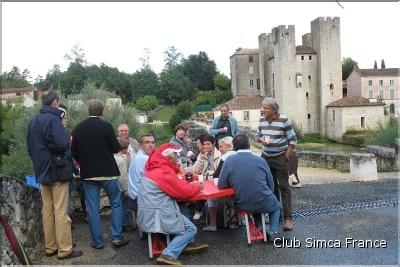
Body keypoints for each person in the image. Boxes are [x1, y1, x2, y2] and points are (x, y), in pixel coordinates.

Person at [27, 90, 83, 260]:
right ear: (56, 102)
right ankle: (64, 249)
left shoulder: (33, 121)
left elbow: (29, 147)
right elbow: (62, 143)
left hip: (42, 170)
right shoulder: (54, 119)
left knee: (47, 210)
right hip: (57, 170)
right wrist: (66, 138)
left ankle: (50, 247)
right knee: (60, 211)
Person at [137, 143, 209, 265]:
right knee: (191, 229)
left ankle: (186, 244)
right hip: (157, 214)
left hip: (150, 211)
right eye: (176, 155)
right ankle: (168, 254)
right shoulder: (164, 172)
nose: (178, 158)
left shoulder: (156, 168)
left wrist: (188, 185)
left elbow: (176, 188)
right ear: (169, 157)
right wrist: (196, 187)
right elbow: (183, 192)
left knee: (182, 209)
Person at [71, 100, 129, 249]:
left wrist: (84, 162)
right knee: (116, 203)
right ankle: (116, 237)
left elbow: (74, 152)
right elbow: (115, 147)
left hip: (88, 174)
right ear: (102, 112)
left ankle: (97, 242)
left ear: (88, 112)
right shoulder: (106, 126)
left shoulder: (78, 128)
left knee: (92, 208)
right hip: (108, 172)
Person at [218, 134, 283, 241]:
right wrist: (267, 195)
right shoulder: (261, 160)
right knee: (276, 207)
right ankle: (273, 231)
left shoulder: (229, 160)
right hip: (263, 200)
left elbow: (221, 184)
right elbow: (271, 184)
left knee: (254, 202)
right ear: (249, 145)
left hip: (242, 203)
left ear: (233, 146)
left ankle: (260, 228)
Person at [256, 97, 297, 231]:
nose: (263, 110)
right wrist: (261, 139)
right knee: (271, 187)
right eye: (262, 107)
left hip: (280, 157)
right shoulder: (262, 120)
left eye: (266, 108)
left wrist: (286, 156)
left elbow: (293, 140)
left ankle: (288, 218)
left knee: (284, 187)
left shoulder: (284, 120)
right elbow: (257, 136)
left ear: (274, 110)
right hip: (266, 157)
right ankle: (276, 214)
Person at [203, 136, 235, 232]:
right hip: (240, 189)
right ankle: (234, 220)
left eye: (221, 147)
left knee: (211, 197)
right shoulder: (237, 155)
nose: (220, 149)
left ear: (229, 146)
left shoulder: (224, 157)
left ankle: (213, 224)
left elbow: (217, 175)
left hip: (228, 189)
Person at [127, 134, 156, 228]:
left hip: (133, 198)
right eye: (147, 142)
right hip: (139, 201)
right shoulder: (144, 158)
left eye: (152, 142)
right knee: (175, 201)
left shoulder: (138, 155)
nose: (151, 145)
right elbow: (155, 181)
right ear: (140, 145)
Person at [192, 134, 222, 221]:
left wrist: (209, 174)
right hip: (205, 180)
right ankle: (198, 211)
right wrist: (201, 159)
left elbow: (218, 172)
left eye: (208, 144)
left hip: (215, 180)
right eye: (204, 144)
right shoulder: (202, 155)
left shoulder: (219, 154)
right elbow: (195, 171)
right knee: (198, 186)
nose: (206, 146)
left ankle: (212, 218)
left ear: (213, 144)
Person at [114, 138, 131, 231]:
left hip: (113, 185)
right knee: (123, 206)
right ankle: (123, 224)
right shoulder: (121, 160)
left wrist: (127, 159)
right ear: (123, 149)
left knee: (116, 206)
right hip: (120, 187)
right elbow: (123, 176)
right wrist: (125, 189)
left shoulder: (113, 157)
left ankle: (118, 225)